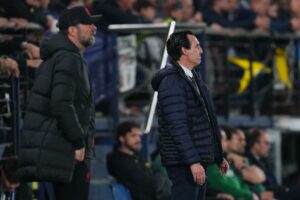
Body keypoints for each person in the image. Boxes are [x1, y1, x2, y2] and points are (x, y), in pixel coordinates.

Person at [18, 6, 100, 200]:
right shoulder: (69, 58)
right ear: (72, 30)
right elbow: (61, 104)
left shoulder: (60, 56)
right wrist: (78, 142)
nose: (94, 28)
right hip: (68, 150)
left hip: (60, 149)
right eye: (88, 24)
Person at [151, 30, 228, 200]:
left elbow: (207, 121)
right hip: (184, 163)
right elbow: (178, 126)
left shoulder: (193, 79)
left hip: (196, 160)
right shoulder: (172, 82)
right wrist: (192, 162)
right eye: (197, 46)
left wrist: (218, 155)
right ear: (184, 51)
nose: (201, 51)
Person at [106, 121, 165, 200]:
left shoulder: (136, 156)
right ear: (122, 138)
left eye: (139, 136)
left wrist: (157, 178)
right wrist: (158, 179)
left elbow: (155, 173)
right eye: (133, 136)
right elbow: (153, 185)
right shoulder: (119, 161)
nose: (138, 139)